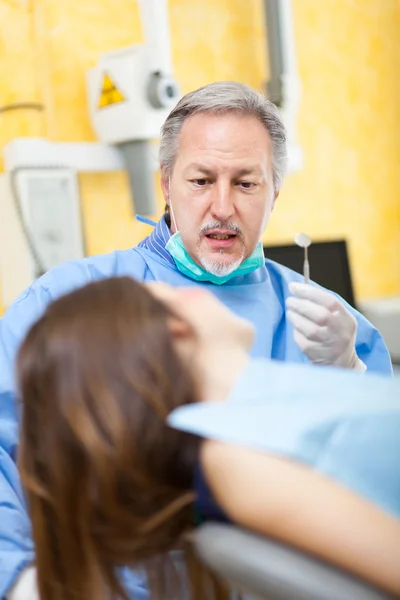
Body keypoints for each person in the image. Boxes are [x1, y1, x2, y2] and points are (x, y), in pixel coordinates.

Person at [0, 81, 393, 598]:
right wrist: (20, 580)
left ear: (276, 189)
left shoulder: (326, 322)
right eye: (202, 180)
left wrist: (349, 374)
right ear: (166, 183)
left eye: (246, 183)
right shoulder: (75, 299)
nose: (222, 206)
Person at [14, 277, 400, 600]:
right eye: (170, 291)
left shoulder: (251, 428)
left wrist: (349, 365)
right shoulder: (232, 462)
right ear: (174, 325)